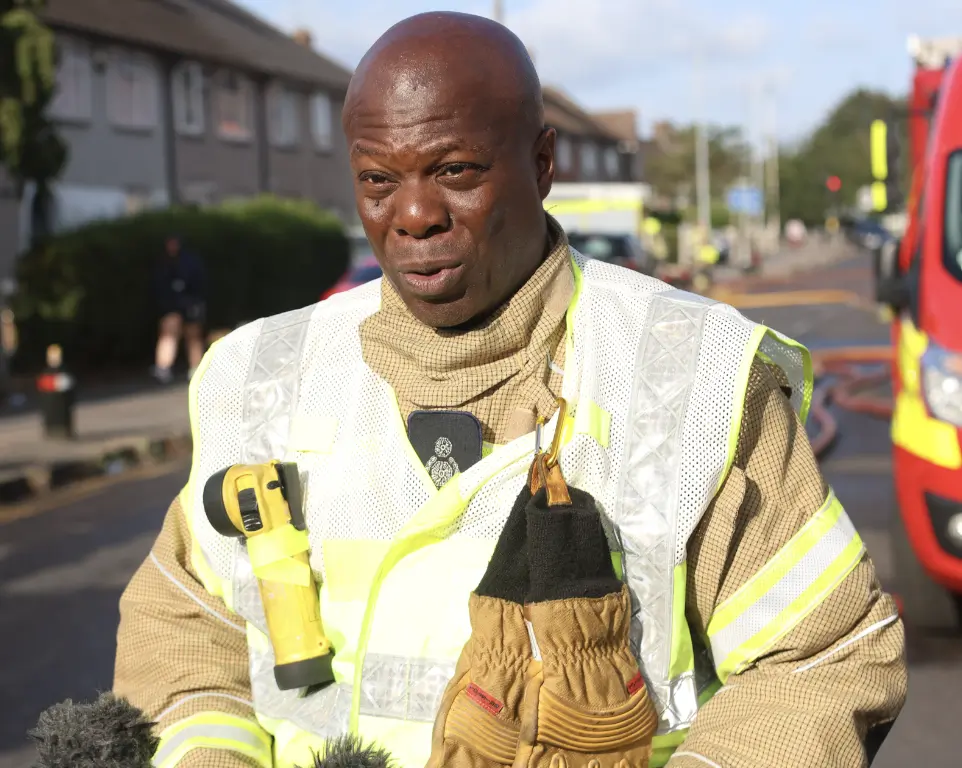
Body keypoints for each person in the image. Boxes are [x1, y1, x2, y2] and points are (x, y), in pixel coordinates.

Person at [114, 12, 906, 768]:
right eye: (378, 180)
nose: (415, 215)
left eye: (455, 171)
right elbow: (188, 632)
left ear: (543, 164)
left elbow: (820, 658)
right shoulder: (261, 376)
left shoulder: (696, 376)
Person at [151, 234, 207, 384]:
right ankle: (164, 367)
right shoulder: (164, 262)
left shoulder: (189, 262)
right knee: (169, 333)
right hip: (172, 304)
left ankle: (195, 368)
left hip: (189, 303)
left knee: (193, 335)